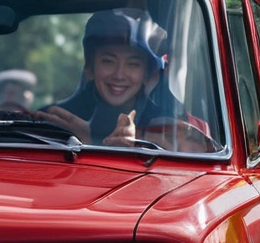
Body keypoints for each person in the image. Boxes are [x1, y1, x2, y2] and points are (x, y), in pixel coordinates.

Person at [36, 8, 180, 147]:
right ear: (89, 68)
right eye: (108, 61)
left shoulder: (167, 129)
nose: (119, 75)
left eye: (133, 64)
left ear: (147, 74)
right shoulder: (55, 119)